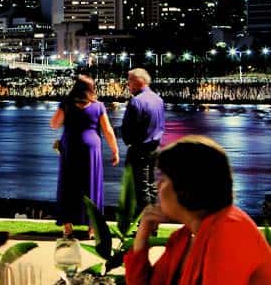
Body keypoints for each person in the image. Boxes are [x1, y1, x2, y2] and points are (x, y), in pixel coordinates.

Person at [125, 136, 271, 284]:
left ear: (185, 186)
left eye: (164, 179)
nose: (157, 185)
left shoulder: (229, 230)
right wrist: (142, 236)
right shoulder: (184, 237)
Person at [50, 74, 119, 237]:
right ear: (90, 89)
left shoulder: (66, 104)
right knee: (92, 184)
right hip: (91, 149)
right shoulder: (99, 106)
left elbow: (54, 124)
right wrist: (115, 150)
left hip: (71, 147)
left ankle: (68, 226)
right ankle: (92, 228)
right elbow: (108, 131)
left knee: (68, 184)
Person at [121, 68, 165, 213]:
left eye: (130, 81)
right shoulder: (158, 99)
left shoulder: (136, 102)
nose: (128, 84)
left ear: (139, 81)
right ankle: (153, 224)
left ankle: (145, 224)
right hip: (155, 147)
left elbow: (128, 128)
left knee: (140, 188)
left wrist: (127, 141)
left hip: (140, 148)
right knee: (151, 186)